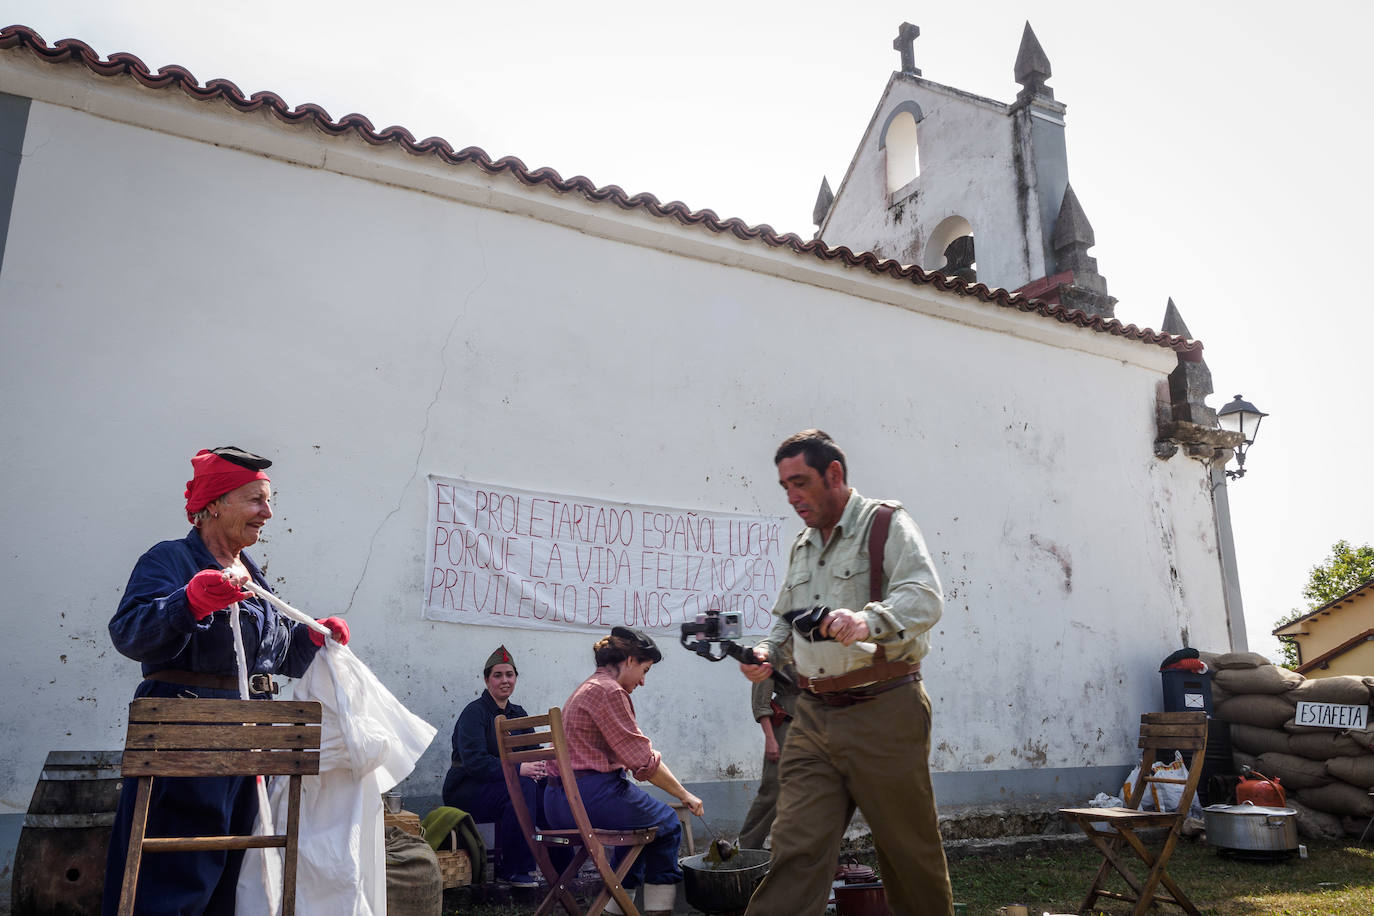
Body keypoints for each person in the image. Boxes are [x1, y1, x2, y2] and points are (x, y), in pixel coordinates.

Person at [102, 447, 349, 916]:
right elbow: (129, 633)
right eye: (256, 500)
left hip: (251, 743)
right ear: (214, 504)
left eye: (268, 501)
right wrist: (188, 603)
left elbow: (272, 656)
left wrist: (313, 638)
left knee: (233, 877)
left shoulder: (252, 575)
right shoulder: (170, 560)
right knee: (176, 874)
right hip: (188, 739)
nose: (267, 513)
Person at [739, 429, 953, 916]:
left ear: (833, 474)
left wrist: (866, 621)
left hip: (884, 706)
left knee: (907, 851)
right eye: (785, 487)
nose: (792, 497)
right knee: (795, 848)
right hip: (812, 713)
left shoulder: (885, 524)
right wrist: (767, 651)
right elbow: (786, 617)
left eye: (800, 483)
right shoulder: (803, 545)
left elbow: (925, 596)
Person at [543, 626, 703, 916]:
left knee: (639, 831)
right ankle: (659, 913)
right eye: (645, 670)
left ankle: (616, 910)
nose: (642, 681)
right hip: (587, 797)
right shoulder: (608, 691)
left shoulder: (589, 687)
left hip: (556, 803)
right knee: (666, 823)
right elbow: (644, 762)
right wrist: (685, 795)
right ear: (630, 660)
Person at [441, 645, 547, 887]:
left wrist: (547, 765)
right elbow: (475, 763)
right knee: (522, 787)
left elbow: (533, 752)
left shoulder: (518, 714)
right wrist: (518, 770)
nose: (505, 680)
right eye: (498, 675)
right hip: (467, 788)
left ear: (516, 678)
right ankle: (513, 869)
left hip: (505, 786)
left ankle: (562, 866)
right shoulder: (474, 713)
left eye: (509, 675)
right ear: (487, 680)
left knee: (550, 790)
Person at [736, 649, 798, 851]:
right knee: (774, 789)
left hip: (818, 725)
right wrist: (771, 739)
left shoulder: (820, 645)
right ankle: (747, 848)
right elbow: (761, 701)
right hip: (786, 726)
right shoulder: (772, 651)